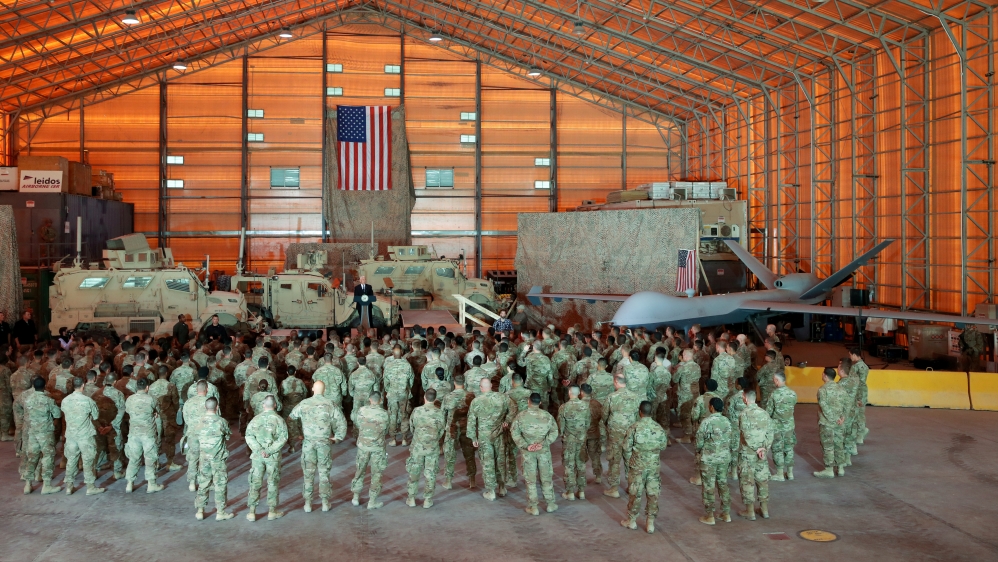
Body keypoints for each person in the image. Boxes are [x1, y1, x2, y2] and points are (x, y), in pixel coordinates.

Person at [290, 381, 347, 512]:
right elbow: (341, 422)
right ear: (324, 390)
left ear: (312, 389)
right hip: (324, 443)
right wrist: (337, 437)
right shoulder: (330, 404)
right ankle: (325, 503)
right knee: (324, 473)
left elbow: (291, 419)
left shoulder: (304, 404)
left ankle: (308, 504)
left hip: (308, 443)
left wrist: (297, 435)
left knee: (308, 474)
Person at [620, 400, 669, 533]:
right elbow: (663, 446)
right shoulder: (658, 428)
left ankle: (631, 521)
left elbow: (626, 448)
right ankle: (650, 523)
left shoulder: (634, 428)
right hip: (653, 467)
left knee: (635, 493)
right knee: (653, 493)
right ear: (651, 412)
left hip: (637, 466)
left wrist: (631, 460)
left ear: (639, 412)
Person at [511, 392, 559, 515]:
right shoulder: (547, 416)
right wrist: (544, 443)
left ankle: (533, 507)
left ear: (529, 401)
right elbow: (554, 432)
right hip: (543, 452)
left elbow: (515, 433)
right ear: (540, 403)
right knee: (546, 477)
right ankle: (550, 504)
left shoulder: (521, 416)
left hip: (528, 453)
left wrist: (527, 445)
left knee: (530, 480)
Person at [245, 394, 288, 521]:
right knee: (273, 482)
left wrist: (259, 450)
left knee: (255, 482)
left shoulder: (255, 420)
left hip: (258, 457)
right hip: (272, 457)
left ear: (263, 405)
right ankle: (272, 511)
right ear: (275, 405)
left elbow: (249, 436)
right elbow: (283, 438)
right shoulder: (279, 420)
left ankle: (252, 512)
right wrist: (269, 450)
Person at [468, 378, 512, 501]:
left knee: (488, 462)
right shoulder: (502, 397)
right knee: (501, 460)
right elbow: (513, 409)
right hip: (499, 434)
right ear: (491, 386)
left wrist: (473, 437)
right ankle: (502, 487)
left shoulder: (476, 401)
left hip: (484, 436)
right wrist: (506, 421)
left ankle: (491, 491)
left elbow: (471, 420)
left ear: (481, 388)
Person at [61, 376, 104, 495]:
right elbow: (95, 416)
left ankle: (69, 486)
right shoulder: (88, 401)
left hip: (71, 435)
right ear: (83, 386)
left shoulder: (65, 400)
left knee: (71, 460)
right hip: (85, 435)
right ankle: (90, 487)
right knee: (88, 461)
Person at [602, 374, 642, 498]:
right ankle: (631, 487)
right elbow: (638, 415)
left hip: (615, 434)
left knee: (614, 460)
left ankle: (614, 489)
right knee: (630, 459)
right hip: (630, 433)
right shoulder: (635, 397)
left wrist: (608, 425)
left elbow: (604, 415)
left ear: (616, 382)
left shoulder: (612, 397)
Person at [20, 377, 62, 494]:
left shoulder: (27, 400)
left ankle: (28, 485)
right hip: (45, 433)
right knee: (48, 457)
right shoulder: (48, 400)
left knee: (32, 457)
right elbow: (57, 414)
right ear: (44, 387)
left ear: (33, 386)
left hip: (32, 432)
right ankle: (46, 485)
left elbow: (26, 416)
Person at [405, 388, 446, 508]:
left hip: (417, 446)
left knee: (414, 471)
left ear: (424, 397)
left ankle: (411, 498)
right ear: (435, 399)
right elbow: (442, 430)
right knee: (430, 473)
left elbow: (412, 427)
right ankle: (427, 500)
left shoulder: (417, 411)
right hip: (432, 447)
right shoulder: (440, 413)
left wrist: (419, 437)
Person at [737, 390, 774, 521]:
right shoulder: (764, 414)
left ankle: (750, 511)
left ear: (745, 399)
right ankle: (764, 510)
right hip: (762, 454)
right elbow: (770, 433)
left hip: (748, 454)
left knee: (747, 480)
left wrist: (756, 449)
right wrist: (764, 449)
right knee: (762, 480)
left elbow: (746, 435)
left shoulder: (744, 414)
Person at [124, 378, 165, 494]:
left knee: (133, 459)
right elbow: (158, 411)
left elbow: (128, 411)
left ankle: (129, 484)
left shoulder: (130, 399)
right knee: (150, 458)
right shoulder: (152, 399)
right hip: (148, 434)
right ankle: (151, 484)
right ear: (147, 387)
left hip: (133, 434)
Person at [195, 397, 233, 520]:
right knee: (220, 483)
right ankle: (220, 512)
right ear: (217, 407)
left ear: (205, 407)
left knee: (203, 482)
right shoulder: (221, 422)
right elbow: (227, 436)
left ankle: (200, 510)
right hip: (218, 458)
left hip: (204, 457)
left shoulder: (199, 421)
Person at [351, 391, 390, 509]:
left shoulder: (362, 411)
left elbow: (358, 424)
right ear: (381, 400)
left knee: (359, 470)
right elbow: (386, 429)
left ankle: (356, 497)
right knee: (376, 474)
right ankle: (372, 501)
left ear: (369, 399)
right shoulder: (384, 414)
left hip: (363, 446)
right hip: (377, 447)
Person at [696, 398, 732, 525]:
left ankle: (710, 515)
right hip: (724, 458)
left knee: (708, 486)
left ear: (711, 407)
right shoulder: (727, 421)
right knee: (723, 484)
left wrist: (699, 451)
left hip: (709, 459)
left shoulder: (707, 422)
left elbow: (699, 442)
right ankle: (726, 513)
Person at [441, 375, 475, 490]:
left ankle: (448, 481)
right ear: (464, 383)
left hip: (452, 428)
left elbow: (442, 414)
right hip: (467, 428)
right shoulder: (470, 396)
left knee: (449, 454)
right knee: (469, 454)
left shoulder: (448, 397)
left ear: (454, 383)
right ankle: (472, 480)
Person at [557, 385, 589, 501]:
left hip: (569, 441)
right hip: (581, 440)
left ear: (569, 393)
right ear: (579, 393)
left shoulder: (564, 407)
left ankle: (570, 492)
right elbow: (587, 423)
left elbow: (561, 426)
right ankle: (581, 491)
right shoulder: (585, 406)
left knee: (569, 465)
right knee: (581, 464)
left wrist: (563, 434)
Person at [814, 367, 848, 478]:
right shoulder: (841, 389)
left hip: (827, 423)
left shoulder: (822, 390)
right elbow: (846, 405)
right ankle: (841, 468)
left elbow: (824, 407)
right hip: (839, 423)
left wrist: (833, 419)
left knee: (828, 446)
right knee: (839, 444)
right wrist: (842, 418)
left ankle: (829, 470)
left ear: (824, 375)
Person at [766, 372, 797, 481]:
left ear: (777, 380)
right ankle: (790, 473)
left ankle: (779, 473)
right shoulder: (793, 393)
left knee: (778, 449)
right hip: (789, 426)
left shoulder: (773, 394)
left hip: (777, 426)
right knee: (789, 448)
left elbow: (769, 411)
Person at [383, 345, 414, 446]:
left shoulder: (388, 366)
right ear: (401, 352)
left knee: (393, 416)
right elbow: (411, 381)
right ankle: (404, 438)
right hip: (403, 394)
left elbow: (386, 383)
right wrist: (406, 388)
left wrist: (390, 390)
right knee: (404, 415)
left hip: (392, 394)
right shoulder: (407, 365)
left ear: (392, 352)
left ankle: (393, 439)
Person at [183, 381, 210, 491]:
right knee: (206, 458)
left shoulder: (188, 402)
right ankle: (204, 481)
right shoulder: (209, 402)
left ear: (196, 390)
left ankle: (192, 483)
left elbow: (186, 419)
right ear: (206, 389)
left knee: (193, 458)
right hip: (206, 435)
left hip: (192, 434)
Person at [672, 349, 701, 443]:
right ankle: (694, 434)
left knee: (684, 415)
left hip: (685, 395)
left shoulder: (682, 368)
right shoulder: (697, 366)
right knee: (693, 414)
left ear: (685, 355)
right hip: (695, 394)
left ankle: (687, 436)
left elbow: (675, 379)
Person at [847, 347, 870, 445]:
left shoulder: (855, 367)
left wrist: (857, 397)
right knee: (861, 414)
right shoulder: (865, 366)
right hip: (863, 392)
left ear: (854, 355)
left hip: (857, 394)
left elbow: (856, 383)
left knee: (856, 415)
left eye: (850, 355)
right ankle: (861, 432)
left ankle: (859, 434)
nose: (850, 357)